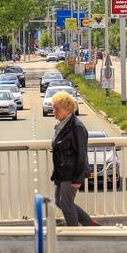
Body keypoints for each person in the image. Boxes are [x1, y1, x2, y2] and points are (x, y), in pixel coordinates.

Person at [50, 90, 98, 226]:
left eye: (56, 108)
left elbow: (82, 154)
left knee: (65, 204)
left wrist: (78, 179)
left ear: (67, 109)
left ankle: (74, 233)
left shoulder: (77, 127)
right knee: (60, 202)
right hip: (61, 172)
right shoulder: (62, 124)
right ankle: (89, 223)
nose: (54, 111)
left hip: (70, 174)